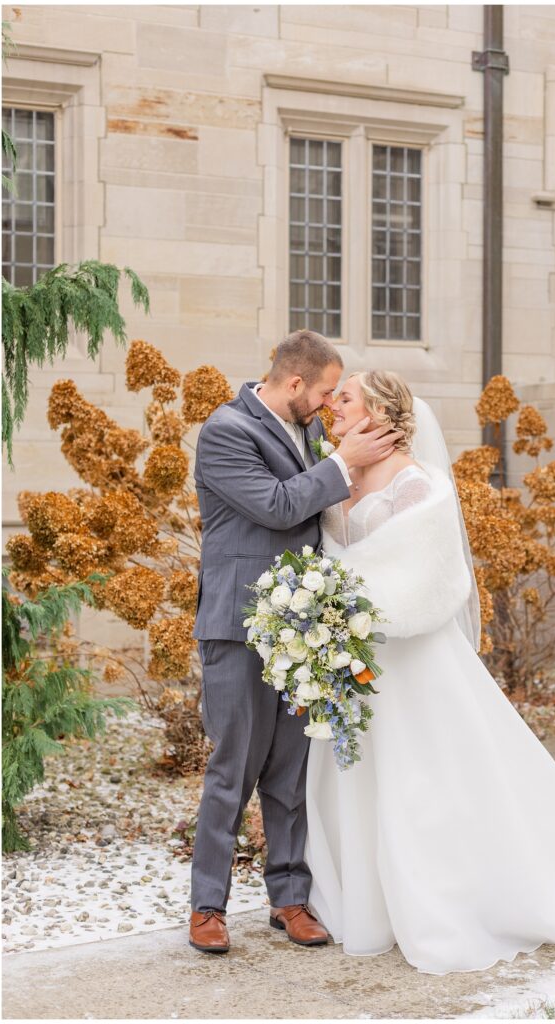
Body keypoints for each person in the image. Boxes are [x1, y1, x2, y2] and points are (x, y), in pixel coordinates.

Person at [304, 370, 555, 975]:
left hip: (410, 661)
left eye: (345, 397)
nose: (334, 405)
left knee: (427, 780)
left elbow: (424, 571)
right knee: (360, 773)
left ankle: (450, 893)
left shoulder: (417, 481)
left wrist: (342, 604)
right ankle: (364, 895)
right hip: (351, 661)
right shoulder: (332, 470)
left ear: (378, 410)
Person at [189, 332, 403, 954]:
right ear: (292, 384)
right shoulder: (226, 431)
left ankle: (289, 899)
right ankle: (208, 907)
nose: (328, 405)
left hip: (299, 629)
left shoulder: (305, 432)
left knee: (290, 773)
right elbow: (278, 506)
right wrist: (342, 465)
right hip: (236, 625)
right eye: (324, 392)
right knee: (232, 770)